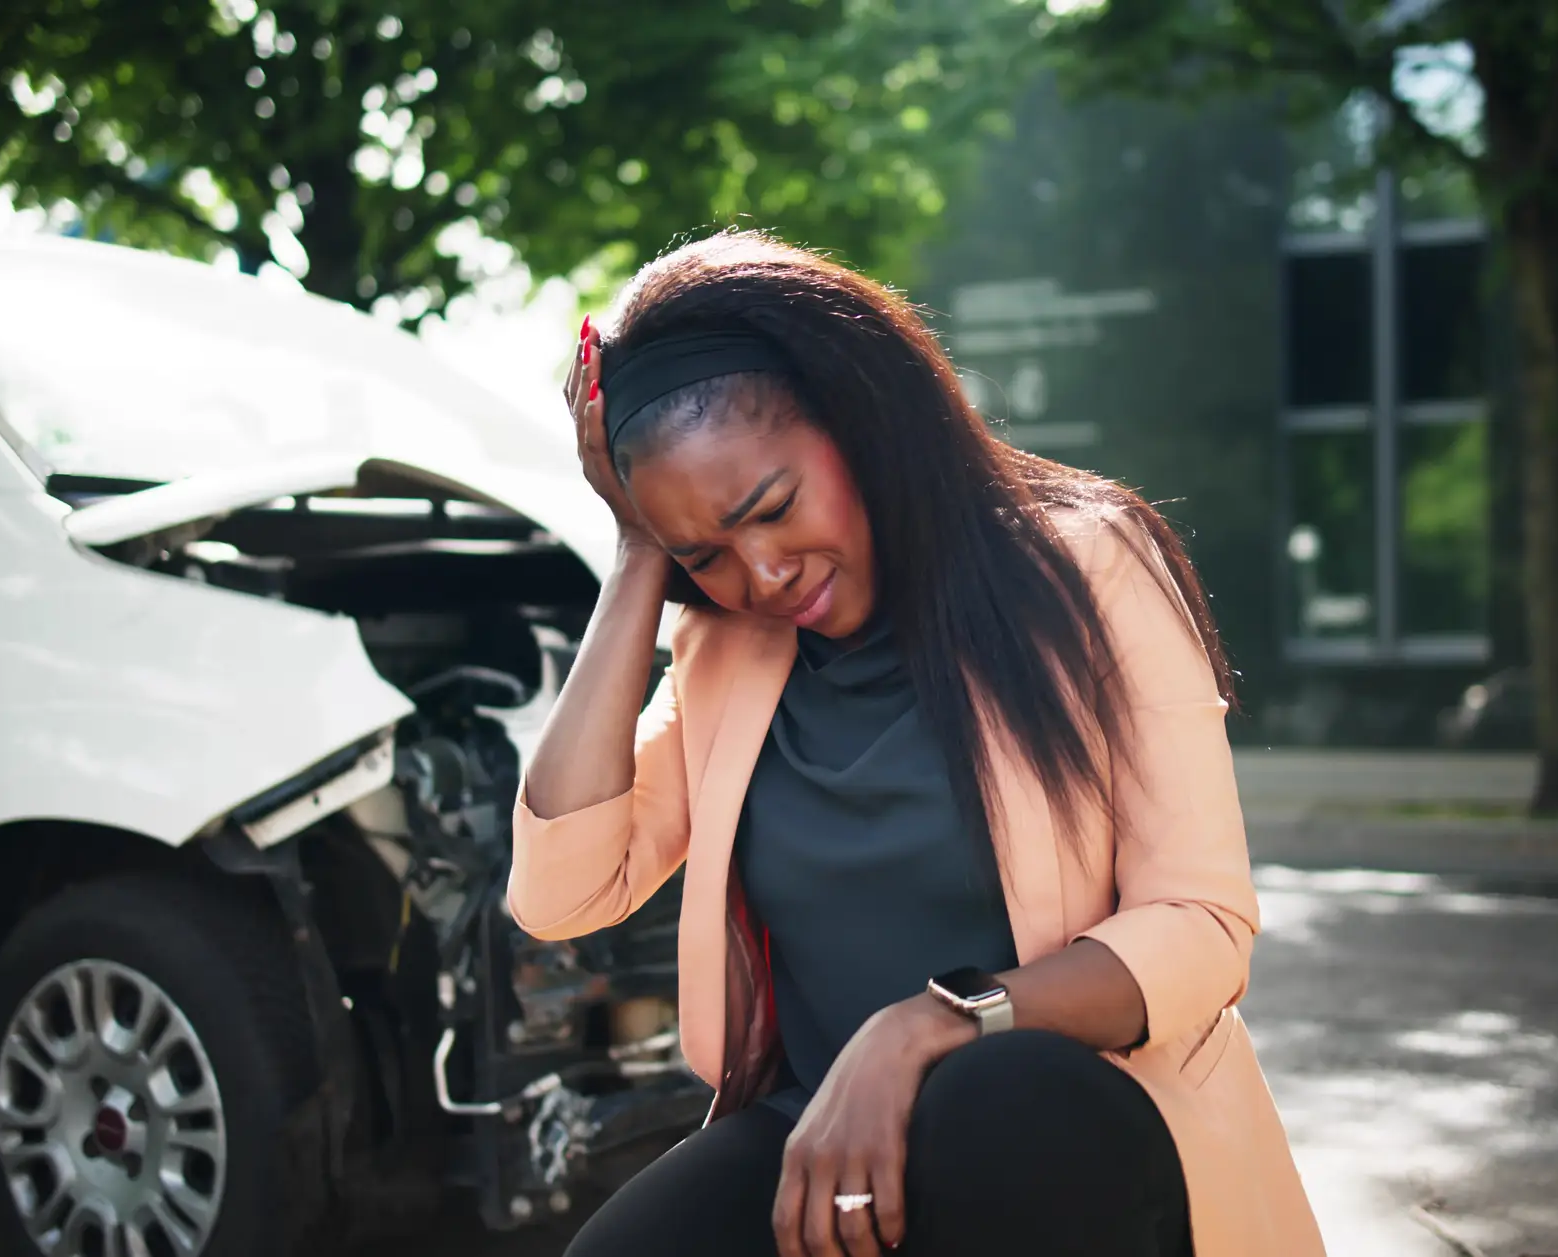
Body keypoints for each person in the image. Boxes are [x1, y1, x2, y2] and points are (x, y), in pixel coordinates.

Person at [507, 230, 1324, 1257]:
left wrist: (930, 1022)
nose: (759, 574)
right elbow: (561, 894)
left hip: (1064, 1122)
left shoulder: (1084, 566)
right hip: (823, 1134)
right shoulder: (728, 651)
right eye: (705, 551)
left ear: (858, 424)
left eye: (771, 508)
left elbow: (1201, 924)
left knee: (998, 1097)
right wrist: (636, 556)